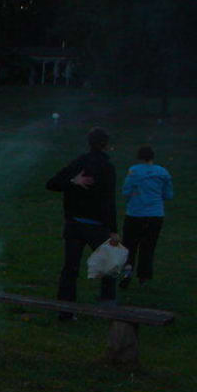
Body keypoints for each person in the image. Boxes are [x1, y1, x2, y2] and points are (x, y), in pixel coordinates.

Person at [46, 126, 120, 318]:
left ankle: (65, 311)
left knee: (70, 268)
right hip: (96, 226)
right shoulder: (107, 167)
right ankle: (107, 306)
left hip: (75, 225)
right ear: (106, 145)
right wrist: (113, 229)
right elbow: (109, 200)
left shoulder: (80, 163)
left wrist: (72, 182)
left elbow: (52, 183)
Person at [119, 145, 173, 288]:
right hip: (155, 215)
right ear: (152, 157)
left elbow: (125, 191)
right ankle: (144, 277)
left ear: (139, 157)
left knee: (129, 244)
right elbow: (168, 195)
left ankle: (127, 270)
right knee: (148, 247)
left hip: (135, 214)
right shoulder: (163, 172)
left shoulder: (134, 171)